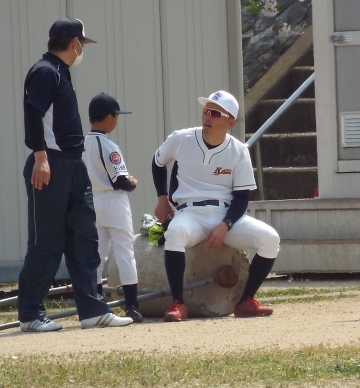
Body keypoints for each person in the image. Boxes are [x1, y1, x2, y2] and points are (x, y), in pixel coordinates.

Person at [18, 18, 133, 331]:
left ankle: (93, 311)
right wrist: (40, 157)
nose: (82, 48)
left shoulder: (60, 71)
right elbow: (32, 113)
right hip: (50, 163)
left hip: (73, 164)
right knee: (46, 243)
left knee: (84, 238)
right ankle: (30, 315)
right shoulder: (46, 71)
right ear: (74, 42)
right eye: (82, 42)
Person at [152, 90, 280, 321]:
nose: (208, 116)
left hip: (225, 213)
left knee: (270, 239)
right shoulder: (182, 138)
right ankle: (178, 304)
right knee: (176, 232)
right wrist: (162, 198)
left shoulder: (238, 150)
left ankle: (245, 302)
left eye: (216, 113)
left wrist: (225, 224)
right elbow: (158, 161)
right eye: (206, 110)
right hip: (190, 212)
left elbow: (242, 197)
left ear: (231, 122)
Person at [83, 92, 143, 323]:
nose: (116, 119)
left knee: (97, 256)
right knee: (125, 253)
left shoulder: (81, 144)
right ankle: (132, 307)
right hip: (114, 201)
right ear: (108, 117)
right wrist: (133, 182)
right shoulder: (108, 145)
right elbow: (122, 182)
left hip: (92, 201)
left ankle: (97, 307)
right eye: (116, 115)